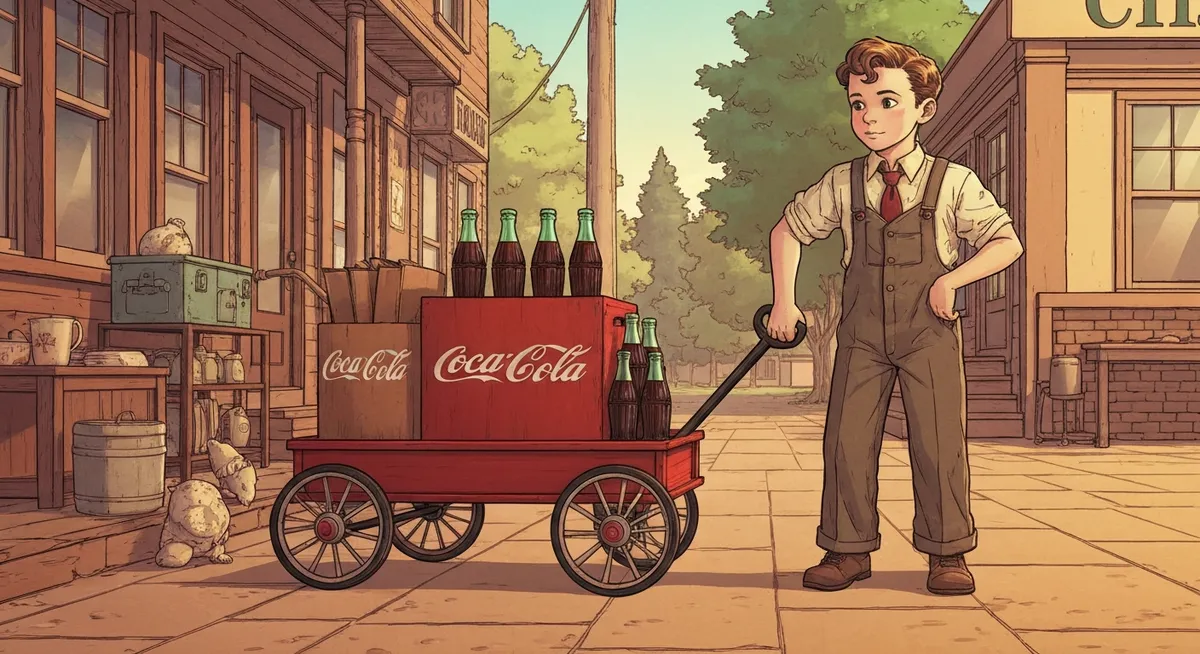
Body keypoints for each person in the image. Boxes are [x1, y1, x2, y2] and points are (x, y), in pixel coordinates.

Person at [765, 36, 1024, 596]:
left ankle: (947, 552)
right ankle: (846, 550)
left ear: (924, 110)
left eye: (887, 101)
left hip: (928, 332)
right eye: (859, 104)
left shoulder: (953, 182)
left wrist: (952, 279)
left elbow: (1007, 242)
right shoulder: (842, 182)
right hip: (860, 334)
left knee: (937, 441)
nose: (870, 117)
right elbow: (787, 230)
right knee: (847, 440)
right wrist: (784, 301)